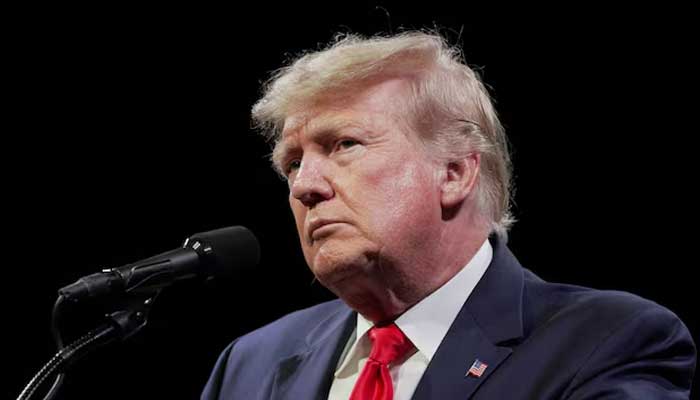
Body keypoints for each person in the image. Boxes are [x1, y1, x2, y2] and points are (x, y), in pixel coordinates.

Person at [202, 31, 696, 399]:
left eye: (345, 145)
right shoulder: (249, 364)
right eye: (293, 163)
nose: (306, 185)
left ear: (455, 172)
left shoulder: (605, 342)